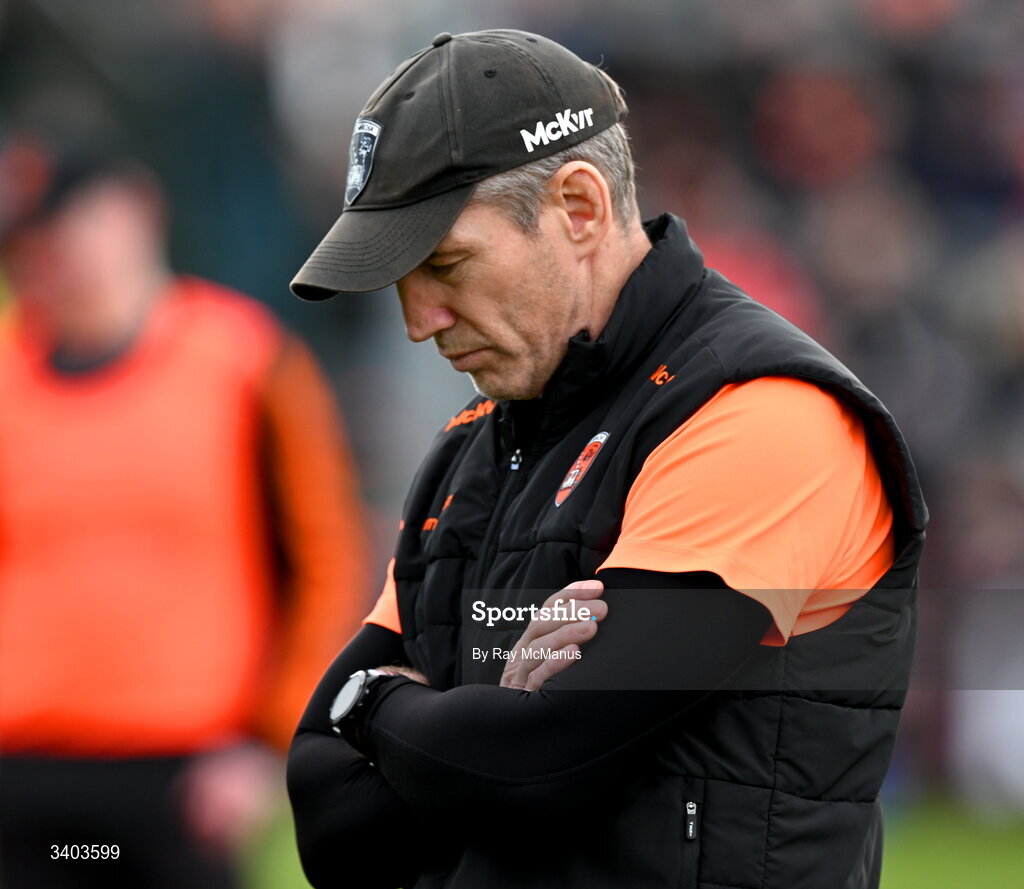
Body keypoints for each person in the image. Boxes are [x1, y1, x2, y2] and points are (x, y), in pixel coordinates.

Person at [286, 29, 927, 889]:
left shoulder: (764, 412)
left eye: (445, 264)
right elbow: (330, 821)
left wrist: (374, 704)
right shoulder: (474, 442)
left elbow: (530, 769)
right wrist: (468, 730)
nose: (420, 320)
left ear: (579, 208)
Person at [0, 134, 370, 888]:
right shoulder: (7, 376)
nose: (59, 254)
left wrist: (269, 741)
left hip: (183, 777)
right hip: (21, 772)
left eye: (76, 223)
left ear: (138, 209)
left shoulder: (243, 362)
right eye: (35, 238)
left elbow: (325, 556)